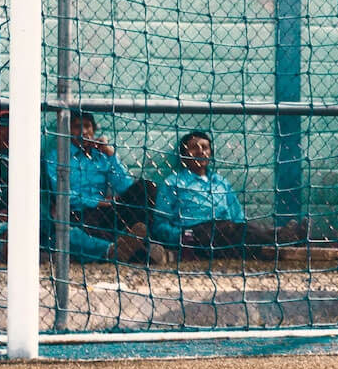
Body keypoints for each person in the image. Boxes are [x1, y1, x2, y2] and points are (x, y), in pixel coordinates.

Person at [152, 131, 307, 259]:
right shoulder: (173, 183)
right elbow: (160, 224)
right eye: (194, 147)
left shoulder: (221, 183)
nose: (200, 151)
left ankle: (279, 237)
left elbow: (238, 218)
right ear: (184, 155)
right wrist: (180, 236)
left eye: (205, 147)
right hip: (194, 233)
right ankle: (280, 238)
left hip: (226, 232)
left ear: (210, 153)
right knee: (228, 229)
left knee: (238, 230)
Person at [44, 110, 167, 264]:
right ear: (68, 132)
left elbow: (125, 186)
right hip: (78, 213)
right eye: (76, 127)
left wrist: (111, 155)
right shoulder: (57, 156)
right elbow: (61, 193)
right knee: (67, 235)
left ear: (94, 130)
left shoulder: (101, 155)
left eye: (87, 126)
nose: (83, 131)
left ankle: (130, 244)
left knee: (145, 187)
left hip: (106, 214)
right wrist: (97, 202)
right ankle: (126, 250)